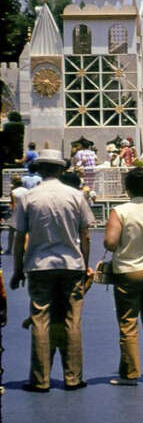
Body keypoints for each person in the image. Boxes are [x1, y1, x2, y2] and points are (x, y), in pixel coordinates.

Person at [11, 149, 94, 392]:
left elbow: (19, 237)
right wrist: (84, 264)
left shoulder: (29, 197)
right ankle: (73, 377)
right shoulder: (75, 196)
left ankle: (40, 379)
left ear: (39, 169)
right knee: (73, 320)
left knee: (40, 320)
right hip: (71, 264)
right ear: (60, 169)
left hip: (39, 265)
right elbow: (85, 234)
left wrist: (18, 270)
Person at [104, 167, 143, 386]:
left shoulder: (119, 211)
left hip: (127, 271)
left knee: (128, 323)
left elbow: (111, 243)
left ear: (127, 187)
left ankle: (130, 374)